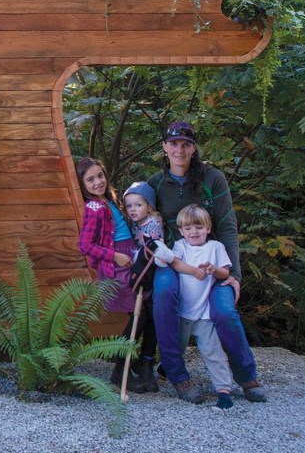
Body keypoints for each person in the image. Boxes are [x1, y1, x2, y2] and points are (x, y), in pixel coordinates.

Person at [146, 120, 267, 403]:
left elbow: (226, 224)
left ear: (193, 148)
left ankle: (246, 375)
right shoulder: (155, 183)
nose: (179, 150)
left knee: (224, 311)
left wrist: (233, 274)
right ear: (164, 147)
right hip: (175, 259)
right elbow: (140, 216)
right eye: (173, 144)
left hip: (212, 261)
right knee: (163, 294)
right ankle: (177, 375)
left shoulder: (212, 178)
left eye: (185, 144)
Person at [154, 205, 235, 410]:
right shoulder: (181, 246)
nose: (194, 232)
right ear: (181, 231)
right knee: (177, 347)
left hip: (204, 312)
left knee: (212, 351)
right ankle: (167, 369)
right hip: (182, 311)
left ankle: (224, 390)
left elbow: (225, 273)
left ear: (208, 228)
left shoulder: (216, 247)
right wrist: (194, 272)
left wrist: (213, 269)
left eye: (199, 227)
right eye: (188, 228)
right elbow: (175, 263)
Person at [75, 157, 144, 393]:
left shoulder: (108, 201)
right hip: (117, 266)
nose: (97, 182)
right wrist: (115, 256)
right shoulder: (93, 207)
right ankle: (120, 367)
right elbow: (85, 245)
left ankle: (133, 364)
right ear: (82, 184)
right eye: (90, 179)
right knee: (140, 312)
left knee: (143, 311)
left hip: (128, 257)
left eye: (100, 176)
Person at [121, 181, 164, 392]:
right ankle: (130, 362)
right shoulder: (133, 225)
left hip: (150, 274)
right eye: (129, 206)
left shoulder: (154, 224)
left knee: (152, 317)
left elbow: (152, 251)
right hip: (137, 275)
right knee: (141, 317)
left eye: (138, 205)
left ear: (149, 206)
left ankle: (146, 360)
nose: (133, 210)